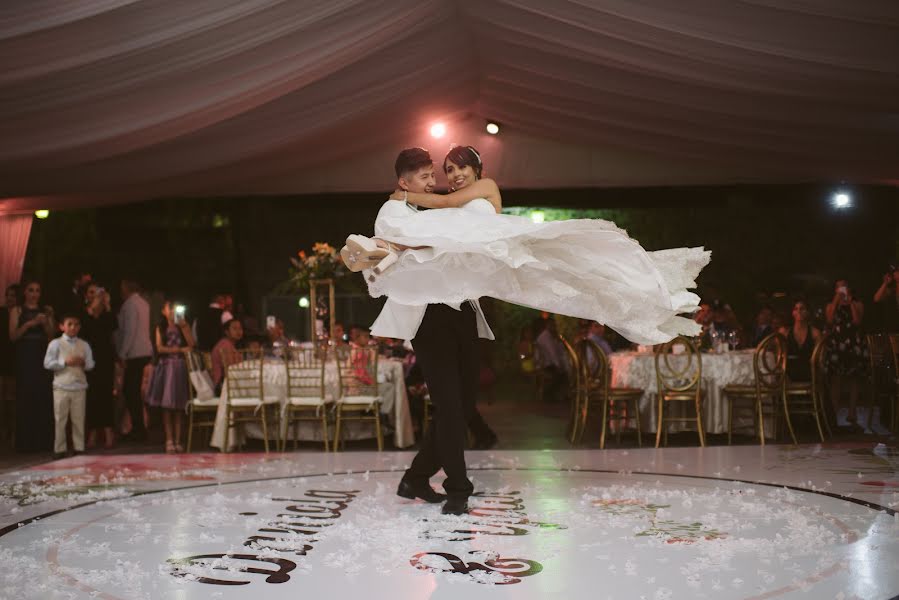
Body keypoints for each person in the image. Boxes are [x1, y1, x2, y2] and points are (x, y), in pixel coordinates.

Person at [349, 145, 710, 346]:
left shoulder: (484, 188)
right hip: (483, 259)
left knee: (578, 269)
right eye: (448, 170)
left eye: (461, 168)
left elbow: (441, 207)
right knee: (565, 287)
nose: (455, 175)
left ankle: (653, 294)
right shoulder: (454, 202)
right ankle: (384, 253)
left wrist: (404, 193)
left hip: (507, 246)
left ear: (477, 170)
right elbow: (443, 224)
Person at [361, 147, 496, 516]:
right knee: (450, 407)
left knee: (463, 407)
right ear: (404, 181)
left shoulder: (448, 202)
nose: (436, 181)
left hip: (463, 310)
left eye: (442, 173)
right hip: (429, 317)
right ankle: (458, 488)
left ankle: (416, 478)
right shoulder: (391, 210)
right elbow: (415, 240)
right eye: (428, 176)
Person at [9, 280, 56, 452]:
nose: (34, 294)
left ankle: (43, 441)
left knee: (42, 396)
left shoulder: (45, 311)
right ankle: (25, 443)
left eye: (37, 290)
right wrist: (30, 324)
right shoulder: (17, 310)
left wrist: (46, 322)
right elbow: (13, 336)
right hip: (25, 355)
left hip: (42, 355)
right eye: (31, 290)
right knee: (26, 396)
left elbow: (52, 336)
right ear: (25, 293)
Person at [43, 312, 94, 459]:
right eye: (69, 324)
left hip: (79, 386)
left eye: (76, 324)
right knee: (60, 419)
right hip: (61, 386)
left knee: (78, 419)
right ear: (61, 326)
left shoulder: (84, 345)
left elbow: (90, 365)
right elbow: (47, 363)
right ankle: (59, 449)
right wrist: (64, 362)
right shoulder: (55, 343)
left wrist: (83, 363)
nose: (73, 327)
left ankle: (79, 447)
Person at [146, 300, 195, 453]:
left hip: (180, 367)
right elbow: (160, 348)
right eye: (170, 308)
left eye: (175, 308)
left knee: (179, 406)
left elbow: (192, 345)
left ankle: (178, 439)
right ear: (163, 311)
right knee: (167, 406)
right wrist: (179, 349)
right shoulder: (160, 327)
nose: (173, 311)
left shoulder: (183, 326)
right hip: (166, 368)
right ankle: (169, 439)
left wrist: (184, 326)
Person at [824, 279, 868, 430]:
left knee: (854, 378)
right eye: (838, 286)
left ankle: (852, 411)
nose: (842, 289)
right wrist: (836, 301)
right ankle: (834, 412)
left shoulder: (857, 304)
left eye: (844, 286)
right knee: (836, 378)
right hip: (837, 343)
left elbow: (857, 321)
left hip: (853, 342)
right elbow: (829, 320)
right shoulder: (831, 305)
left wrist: (850, 302)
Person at [80, 284, 117, 449]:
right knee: (92, 395)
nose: (95, 295)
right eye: (91, 292)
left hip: (106, 359)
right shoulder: (84, 314)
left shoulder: (106, 314)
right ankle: (93, 433)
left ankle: (109, 432)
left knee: (106, 394)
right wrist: (92, 310)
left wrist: (107, 305)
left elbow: (113, 326)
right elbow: (85, 332)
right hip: (89, 358)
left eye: (97, 292)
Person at [116, 279, 153, 441]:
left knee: (130, 390)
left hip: (135, 352)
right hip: (144, 349)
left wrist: (123, 353)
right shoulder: (143, 303)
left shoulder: (130, 305)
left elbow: (130, 330)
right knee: (132, 390)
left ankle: (139, 429)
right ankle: (138, 427)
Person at [779, 300, 821, 383]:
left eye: (802, 309)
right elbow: (779, 355)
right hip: (788, 371)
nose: (799, 311)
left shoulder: (815, 333)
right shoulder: (784, 331)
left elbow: (819, 358)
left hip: (809, 370)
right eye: (796, 309)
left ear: (808, 312)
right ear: (792, 312)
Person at [535, 318, 570, 403]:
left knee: (565, 371)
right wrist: (558, 366)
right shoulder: (545, 337)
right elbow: (552, 353)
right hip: (544, 364)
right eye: (553, 325)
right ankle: (549, 395)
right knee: (562, 374)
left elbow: (560, 351)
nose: (554, 327)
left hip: (549, 363)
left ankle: (558, 395)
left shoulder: (552, 336)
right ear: (548, 326)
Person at [0, 284, 18, 447]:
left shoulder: (19, 313)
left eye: (13, 295)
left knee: (11, 399)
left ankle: (12, 432)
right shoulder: (1, 312)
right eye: (8, 295)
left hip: (13, 360)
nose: (10, 298)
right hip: (2, 358)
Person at [211, 318, 244, 395]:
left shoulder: (229, 344)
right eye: (235, 328)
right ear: (227, 332)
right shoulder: (225, 345)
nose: (238, 331)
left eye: (240, 328)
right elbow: (230, 368)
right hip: (223, 386)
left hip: (229, 384)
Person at [873, 266, 899, 333]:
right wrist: (885, 283)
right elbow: (876, 298)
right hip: (893, 327)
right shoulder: (892, 290)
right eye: (894, 273)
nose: (896, 274)